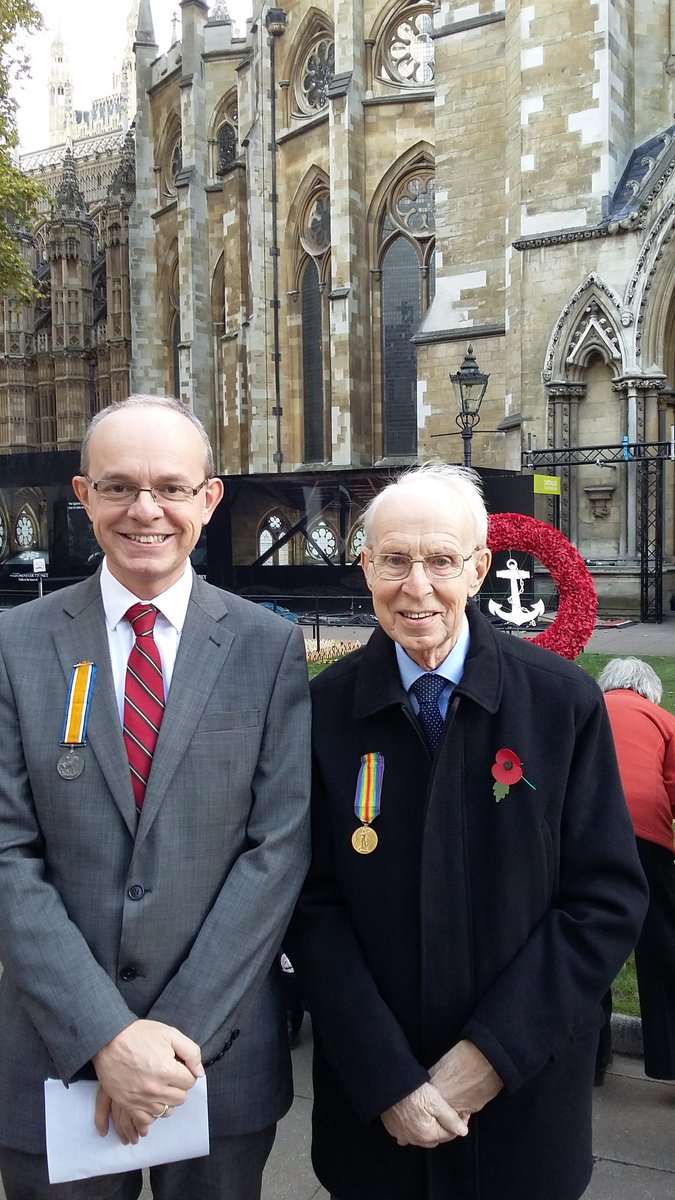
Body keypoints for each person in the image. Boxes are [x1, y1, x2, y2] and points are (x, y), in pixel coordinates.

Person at [285, 462, 648, 1200]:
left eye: (440, 560)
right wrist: (387, 1078)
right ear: (365, 567)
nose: (416, 586)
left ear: (479, 568)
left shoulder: (560, 704)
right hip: (373, 1119)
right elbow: (308, 905)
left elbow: (602, 902)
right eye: (393, 560)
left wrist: (488, 1058)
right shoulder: (322, 712)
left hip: (522, 1110)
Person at [0, 395, 311, 1200]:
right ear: (82, 496)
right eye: (118, 487)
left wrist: (169, 1039)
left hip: (218, 1059)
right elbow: (6, 854)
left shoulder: (266, 647)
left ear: (209, 500)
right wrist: (105, 1035)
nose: (146, 511)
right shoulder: (15, 646)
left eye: (171, 487)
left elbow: (276, 851)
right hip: (53, 1055)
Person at [597, 657, 675, 1081]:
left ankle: (592, 1059)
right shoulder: (663, 720)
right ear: (650, 691)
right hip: (648, 835)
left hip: (587, 831)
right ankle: (670, 1061)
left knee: (588, 939)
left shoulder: (588, 706)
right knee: (662, 946)